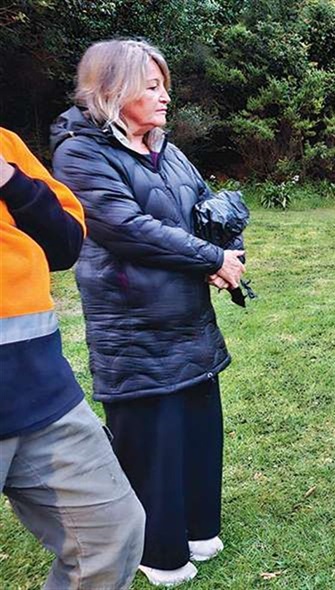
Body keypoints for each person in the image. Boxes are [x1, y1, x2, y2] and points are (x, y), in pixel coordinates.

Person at [50, 40, 246, 587]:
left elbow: (209, 208)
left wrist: (229, 254)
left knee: (200, 429)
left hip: (188, 318)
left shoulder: (166, 148)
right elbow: (126, 228)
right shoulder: (80, 152)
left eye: (165, 85)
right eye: (152, 87)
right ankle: (157, 550)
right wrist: (210, 258)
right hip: (132, 324)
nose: (166, 98)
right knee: (151, 441)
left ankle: (199, 528)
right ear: (113, 92)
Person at [0, 127, 145, 588]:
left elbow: (65, 244)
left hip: (41, 391)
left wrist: (8, 178)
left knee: (111, 535)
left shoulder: (6, 144)